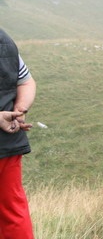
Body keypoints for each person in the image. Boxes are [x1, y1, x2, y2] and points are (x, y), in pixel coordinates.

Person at [0, 28, 37, 239]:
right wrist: (19, 110)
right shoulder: (4, 39)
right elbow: (26, 81)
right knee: (13, 211)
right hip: (8, 143)